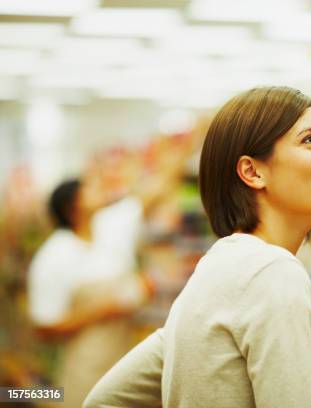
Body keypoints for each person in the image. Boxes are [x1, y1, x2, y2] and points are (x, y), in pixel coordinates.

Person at [84, 86, 311, 407]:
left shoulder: (215, 270)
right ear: (252, 171)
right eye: (310, 139)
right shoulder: (273, 273)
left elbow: (103, 401)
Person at [28, 140, 191, 407]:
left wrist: (185, 143)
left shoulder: (111, 226)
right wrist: (102, 309)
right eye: (88, 188)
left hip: (124, 357)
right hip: (84, 369)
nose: (100, 186)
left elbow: (159, 187)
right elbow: (44, 327)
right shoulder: (53, 256)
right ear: (73, 207)